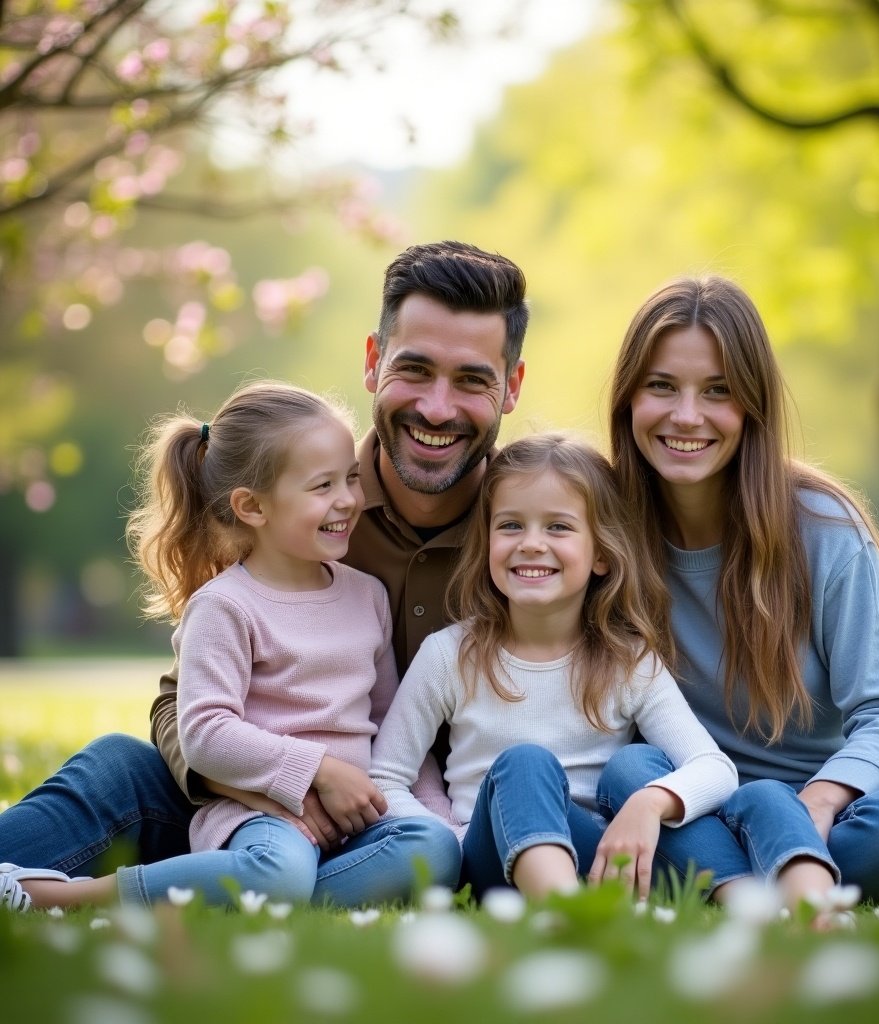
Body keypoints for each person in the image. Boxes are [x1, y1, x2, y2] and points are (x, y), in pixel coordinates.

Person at [0, 240, 528, 908]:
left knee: (413, 853)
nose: (437, 406)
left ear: (512, 386)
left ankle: (252, 893)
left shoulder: (538, 532)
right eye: (415, 370)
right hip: (247, 810)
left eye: (472, 380)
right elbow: (182, 704)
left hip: (385, 822)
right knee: (118, 768)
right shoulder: (282, 505)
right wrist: (278, 785)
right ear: (374, 362)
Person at [601, 273, 879, 918]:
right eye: (661, 387)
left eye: (718, 391)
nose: (686, 416)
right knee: (627, 777)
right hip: (705, 804)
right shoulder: (604, 531)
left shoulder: (822, 528)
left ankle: (740, 887)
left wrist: (815, 806)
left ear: (753, 407)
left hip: (843, 812)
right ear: (628, 399)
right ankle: (780, 891)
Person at [5, 381, 462, 911]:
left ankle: (250, 893)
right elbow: (205, 732)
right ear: (252, 506)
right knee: (278, 870)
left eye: (352, 478)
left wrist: (437, 817)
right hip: (260, 818)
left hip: (356, 821)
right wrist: (320, 770)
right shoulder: (225, 606)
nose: (348, 500)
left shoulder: (366, 596)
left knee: (433, 851)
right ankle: (79, 896)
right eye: (322, 486)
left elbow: (396, 725)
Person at [369, 434, 738, 900]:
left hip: (595, 857)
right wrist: (446, 838)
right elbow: (385, 778)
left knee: (641, 773)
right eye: (510, 526)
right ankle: (568, 915)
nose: (531, 544)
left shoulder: (628, 660)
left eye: (559, 528)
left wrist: (647, 803)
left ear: (601, 553)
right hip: (489, 858)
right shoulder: (450, 654)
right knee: (526, 763)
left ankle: (585, 903)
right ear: (486, 543)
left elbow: (714, 768)